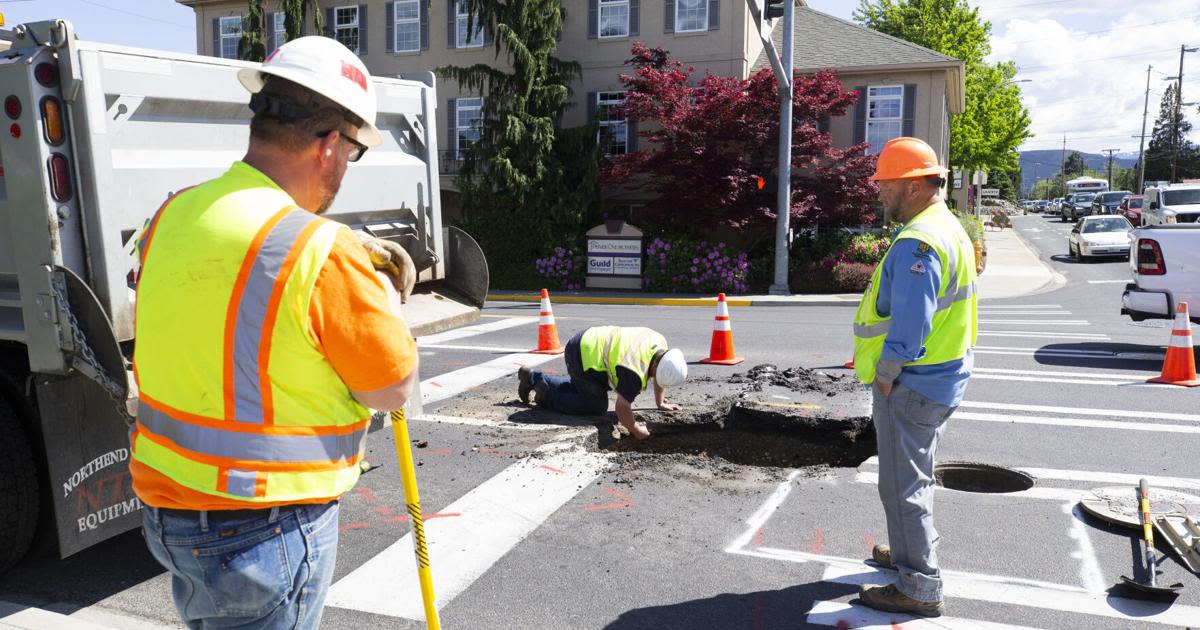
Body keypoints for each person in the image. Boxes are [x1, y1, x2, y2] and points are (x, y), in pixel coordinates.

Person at [129, 37, 419, 629]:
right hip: (264, 524)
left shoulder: (175, 212)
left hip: (169, 509)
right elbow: (392, 389)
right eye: (354, 152)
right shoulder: (323, 250)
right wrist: (381, 297)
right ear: (331, 146)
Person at [851, 137, 978, 618]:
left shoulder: (918, 241)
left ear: (911, 184)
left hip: (913, 384)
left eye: (884, 184)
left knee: (905, 487)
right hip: (941, 375)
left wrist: (886, 375)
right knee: (909, 480)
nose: (879, 192)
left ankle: (919, 586)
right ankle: (907, 556)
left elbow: (911, 322)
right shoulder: (948, 227)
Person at [517, 326, 687, 439]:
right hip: (582, 354)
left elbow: (659, 374)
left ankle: (533, 378)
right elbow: (622, 408)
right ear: (658, 365)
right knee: (594, 405)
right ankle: (545, 395)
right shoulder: (635, 370)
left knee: (585, 389)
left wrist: (661, 402)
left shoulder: (660, 344)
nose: (655, 379)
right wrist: (635, 429)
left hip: (591, 339)